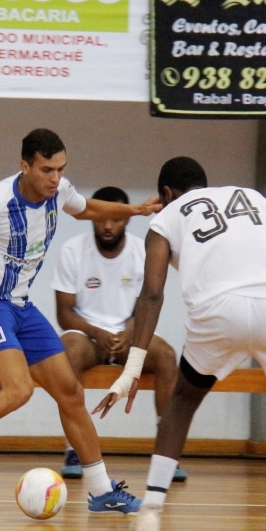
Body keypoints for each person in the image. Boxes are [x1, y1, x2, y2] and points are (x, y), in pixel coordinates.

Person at [94, 156, 266, 531]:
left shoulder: (166, 217)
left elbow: (152, 293)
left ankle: (151, 509)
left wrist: (132, 367)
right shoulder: (250, 196)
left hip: (218, 312)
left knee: (184, 400)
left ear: (167, 194)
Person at [0, 129, 159, 514]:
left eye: (60, 169)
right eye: (46, 170)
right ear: (24, 166)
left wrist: (136, 211)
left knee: (70, 392)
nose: (55, 178)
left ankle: (100, 488)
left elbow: (86, 208)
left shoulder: (59, 191)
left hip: (20, 308)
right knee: (18, 389)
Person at [50, 185, 185, 483]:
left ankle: (167, 453)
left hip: (130, 334)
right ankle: (75, 449)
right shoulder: (72, 250)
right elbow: (65, 314)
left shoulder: (143, 251)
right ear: (93, 218)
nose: (108, 225)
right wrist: (97, 332)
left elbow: (148, 303)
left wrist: (129, 332)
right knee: (66, 351)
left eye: (116, 219)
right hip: (87, 337)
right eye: (103, 218)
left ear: (126, 220)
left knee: (166, 356)